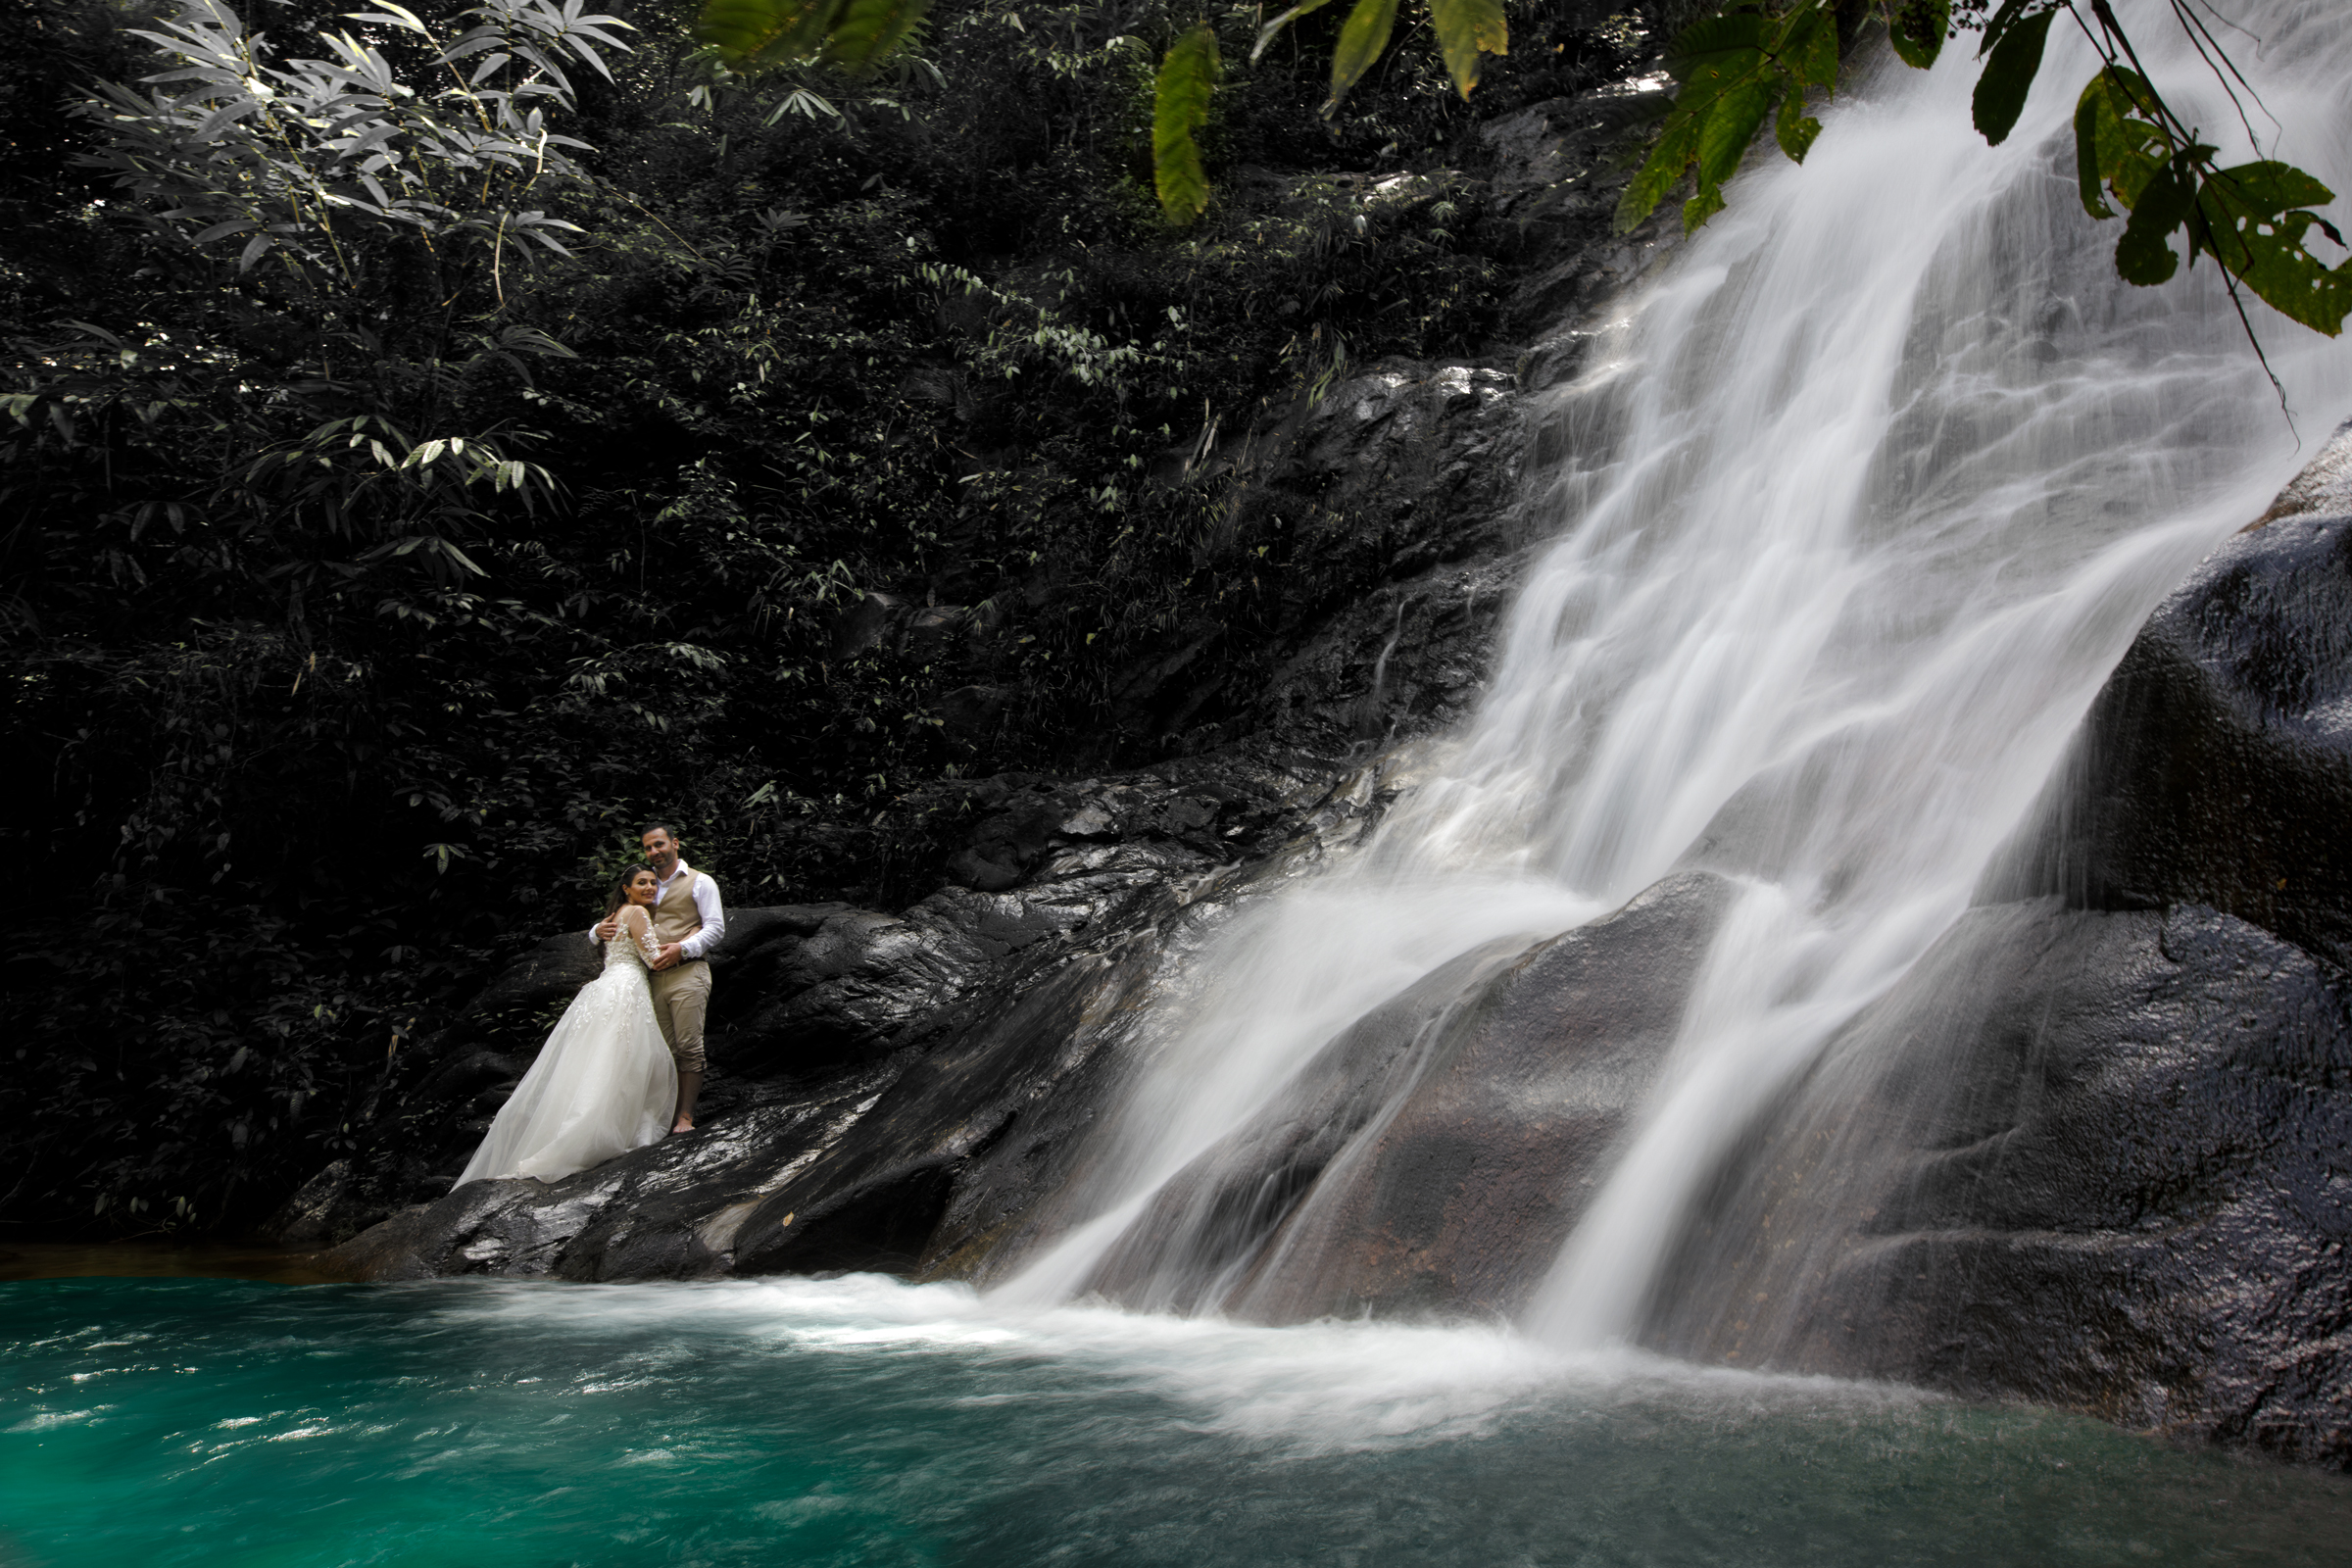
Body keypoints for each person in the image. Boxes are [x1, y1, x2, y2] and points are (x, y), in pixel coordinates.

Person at [454, 864, 678, 1187]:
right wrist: (685, 947)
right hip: (626, 987)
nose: (650, 887)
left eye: (654, 883)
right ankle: (592, 1133)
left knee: (598, 1060)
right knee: (624, 1060)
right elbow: (653, 957)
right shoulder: (639, 914)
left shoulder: (617, 914)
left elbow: (604, 938)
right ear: (627, 888)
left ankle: (586, 1128)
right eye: (642, 882)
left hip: (607, 986)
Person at [593, 823, 725, 1133]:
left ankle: (685, 1117)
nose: (654, 852)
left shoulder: (700, 882)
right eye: (648, 848)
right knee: (661, 1051)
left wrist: (684, 946)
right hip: (649, 979)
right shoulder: (645, 885)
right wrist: (594, 932)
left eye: (659, 845)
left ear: (674, 843)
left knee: (689, 1046)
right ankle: (658, 1117)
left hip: (687, 973)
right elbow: (618, 921)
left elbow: (716, 927)